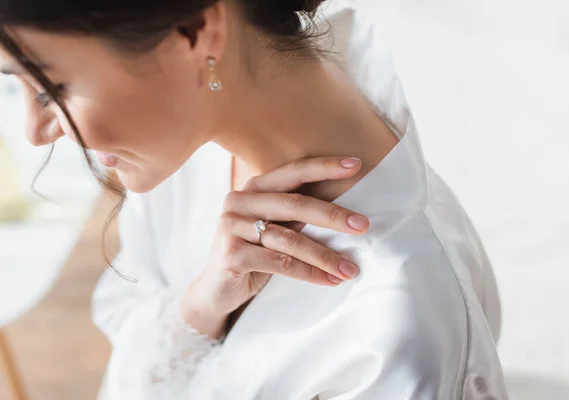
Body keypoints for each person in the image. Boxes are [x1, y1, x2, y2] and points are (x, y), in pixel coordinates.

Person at [0, 0, 508, 398]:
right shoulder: (184, 128)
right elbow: (129, 331)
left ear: (196, 32)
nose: (35, 132)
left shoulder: (397, 320)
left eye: (52, 88)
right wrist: (199, 307)